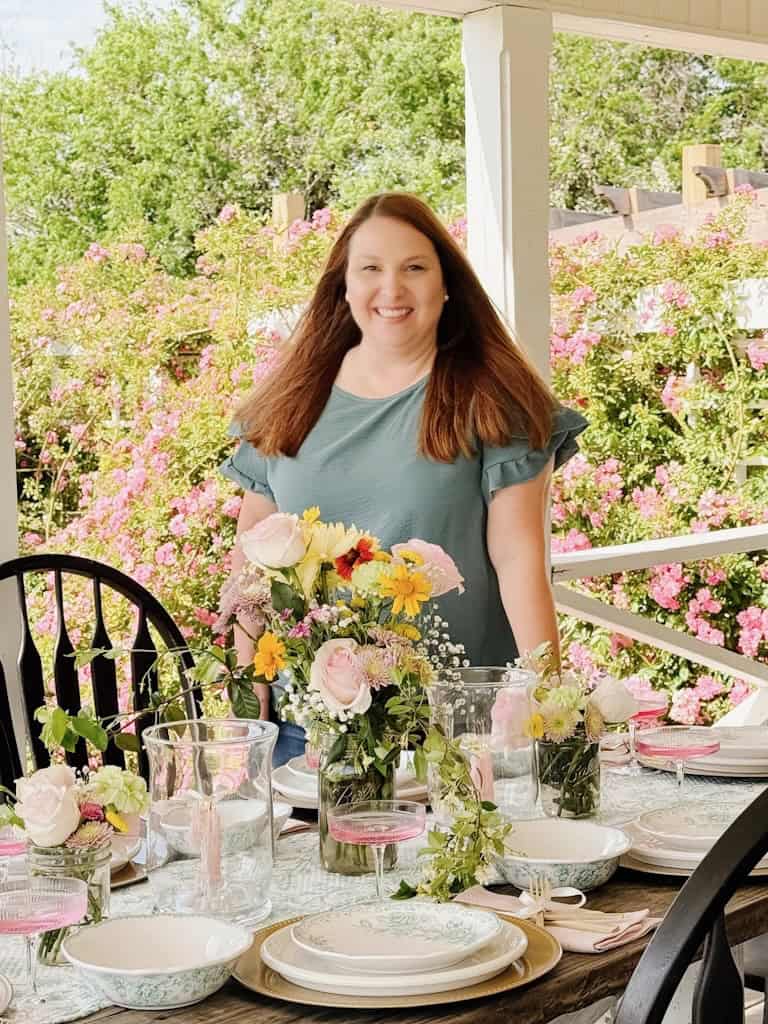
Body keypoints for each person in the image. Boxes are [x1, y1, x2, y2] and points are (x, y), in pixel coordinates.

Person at [221, 192, 587, 766]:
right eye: (371, 269)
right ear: (343, 285)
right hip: (305, 729)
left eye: (414, 268)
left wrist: (549, 698)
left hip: (454, 731)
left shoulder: (493, 400)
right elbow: (252, 568)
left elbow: (519, 556)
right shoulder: (289, 399)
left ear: (446, 284)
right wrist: (246, 709)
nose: (391, 290)